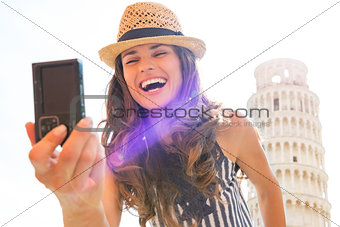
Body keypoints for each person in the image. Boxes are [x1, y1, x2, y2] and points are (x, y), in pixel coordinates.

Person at [25, 2, 286, 227]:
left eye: (159, 52)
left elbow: (268, 190)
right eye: (131, 59)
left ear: (183, 63)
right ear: (123, 78)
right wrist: (75, 201)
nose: (146, 65)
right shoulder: (119, 156)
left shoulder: (230, 126)